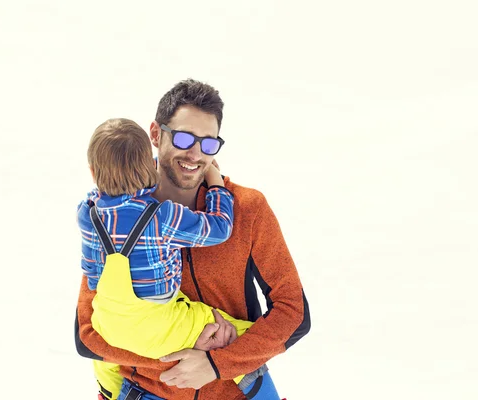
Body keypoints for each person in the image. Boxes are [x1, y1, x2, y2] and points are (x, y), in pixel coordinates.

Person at [76, 79, 311, 400]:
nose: (196, 153)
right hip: (144, 393)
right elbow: (86, 332)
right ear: (156, 135)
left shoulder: (246, 208)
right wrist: (183, 357)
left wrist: (215, 364)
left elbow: (293, 315)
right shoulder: (117, 211)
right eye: (185, 137)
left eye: (209, 143)